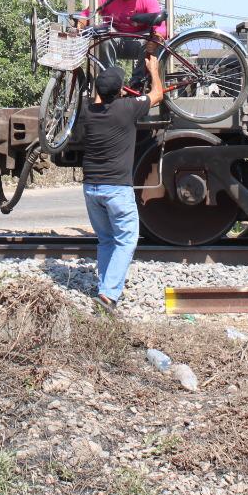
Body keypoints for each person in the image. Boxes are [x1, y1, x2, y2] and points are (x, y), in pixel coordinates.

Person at [79, 55, 164, 313]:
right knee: (126, 240)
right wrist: (154, 70)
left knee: (106, 240)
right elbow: (157, 94)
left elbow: (98, 99)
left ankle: (104, 289)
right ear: (120, 92)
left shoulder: (88, 112)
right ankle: (108, 295)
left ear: (97, 92)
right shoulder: (127, 108)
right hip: (116, 188)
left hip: (91, 188)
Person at [79, 0, 165, 91]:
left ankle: (137, 84)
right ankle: (109, 84)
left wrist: (157, 38)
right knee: (104, 38)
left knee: (151, 42)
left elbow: (160, 25)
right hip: (116, 40)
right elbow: (87, 14)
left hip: (140, 41)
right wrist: (79, 26)